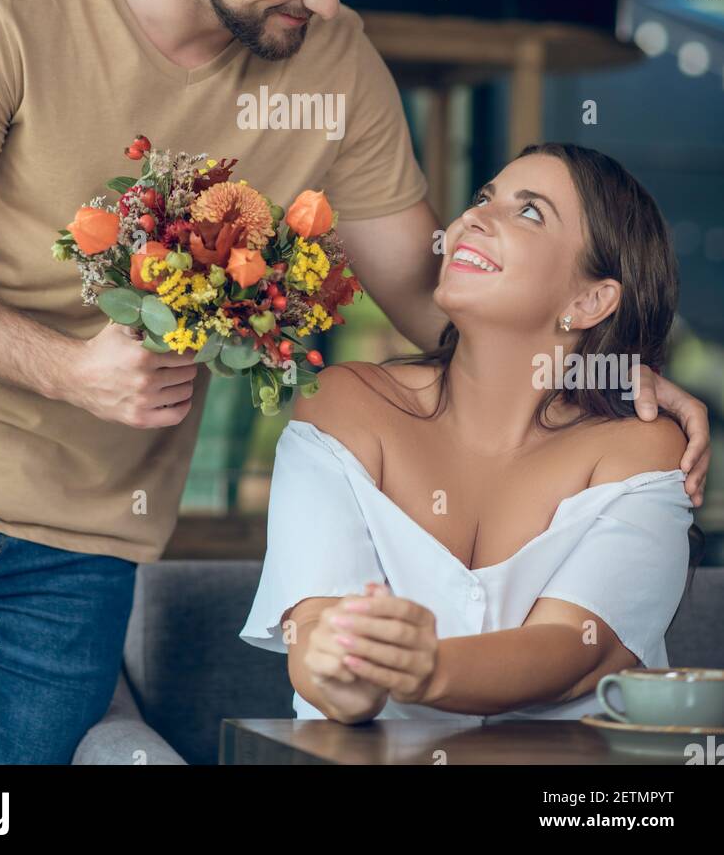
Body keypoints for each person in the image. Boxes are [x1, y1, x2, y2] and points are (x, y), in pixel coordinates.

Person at [0, 0, 708, 763]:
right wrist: (62, 368)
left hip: (75, 538)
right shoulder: (3, 6)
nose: (331, 0)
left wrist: (593, 363)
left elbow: (422, 288)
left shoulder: (335, 63)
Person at [239, 143, 704, 725]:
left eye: (529, 211)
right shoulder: (342, 406)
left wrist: (425, 668)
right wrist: (345, 677)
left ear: (590, 300)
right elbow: (314, 632)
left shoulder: (640, 451)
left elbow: (577, 653)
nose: (471, 218)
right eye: (483, 197)